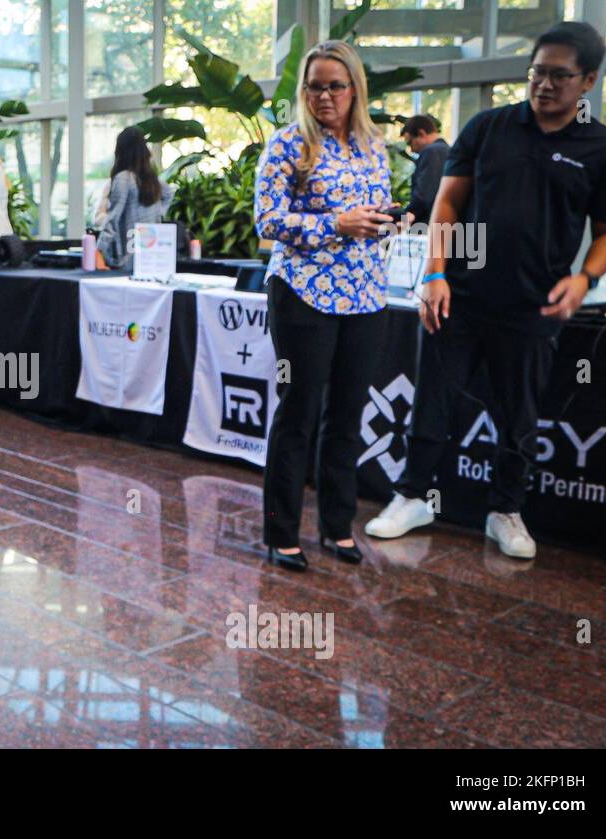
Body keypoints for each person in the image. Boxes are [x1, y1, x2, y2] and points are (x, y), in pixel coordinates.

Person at [365, 21, 606, 558]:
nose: (545, 85)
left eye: (560, 76)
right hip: (459, 294)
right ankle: (413, 496)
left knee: (519, 415)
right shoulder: (489, 128)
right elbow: (447, 205)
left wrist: (585, 279)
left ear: (588, 80)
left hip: (536, 305)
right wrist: (435, 274)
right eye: (537, 72)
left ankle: (504, 511)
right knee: (434, 399)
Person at [254, 40, 395, 572]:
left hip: (365, 295)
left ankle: (337, 526)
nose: (325, 95)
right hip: (303, 294)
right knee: (299, 413)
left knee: (347, 416)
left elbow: (374, 208)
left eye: (336, 85)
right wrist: (334, 224)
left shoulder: (372, 145)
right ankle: (281, 531)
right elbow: (267, 222)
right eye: (314, 86)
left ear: (354, 88)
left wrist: (385, 218)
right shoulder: (289, 145)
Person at [97, 126, 174, 268]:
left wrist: (99, 249)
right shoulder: (150, 179)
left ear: (120, 150)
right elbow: (169, 194)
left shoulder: (123, 178)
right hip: (151, 252)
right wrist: (158, 214)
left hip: (128, 255)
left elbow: (113, 219)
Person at [399, 114, 450, 224]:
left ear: (421, 134)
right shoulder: (446, 150)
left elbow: (424, 194)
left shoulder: (432, 151)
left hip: (427, 224)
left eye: (410, 142)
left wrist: (404, 218)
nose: (411, 149)